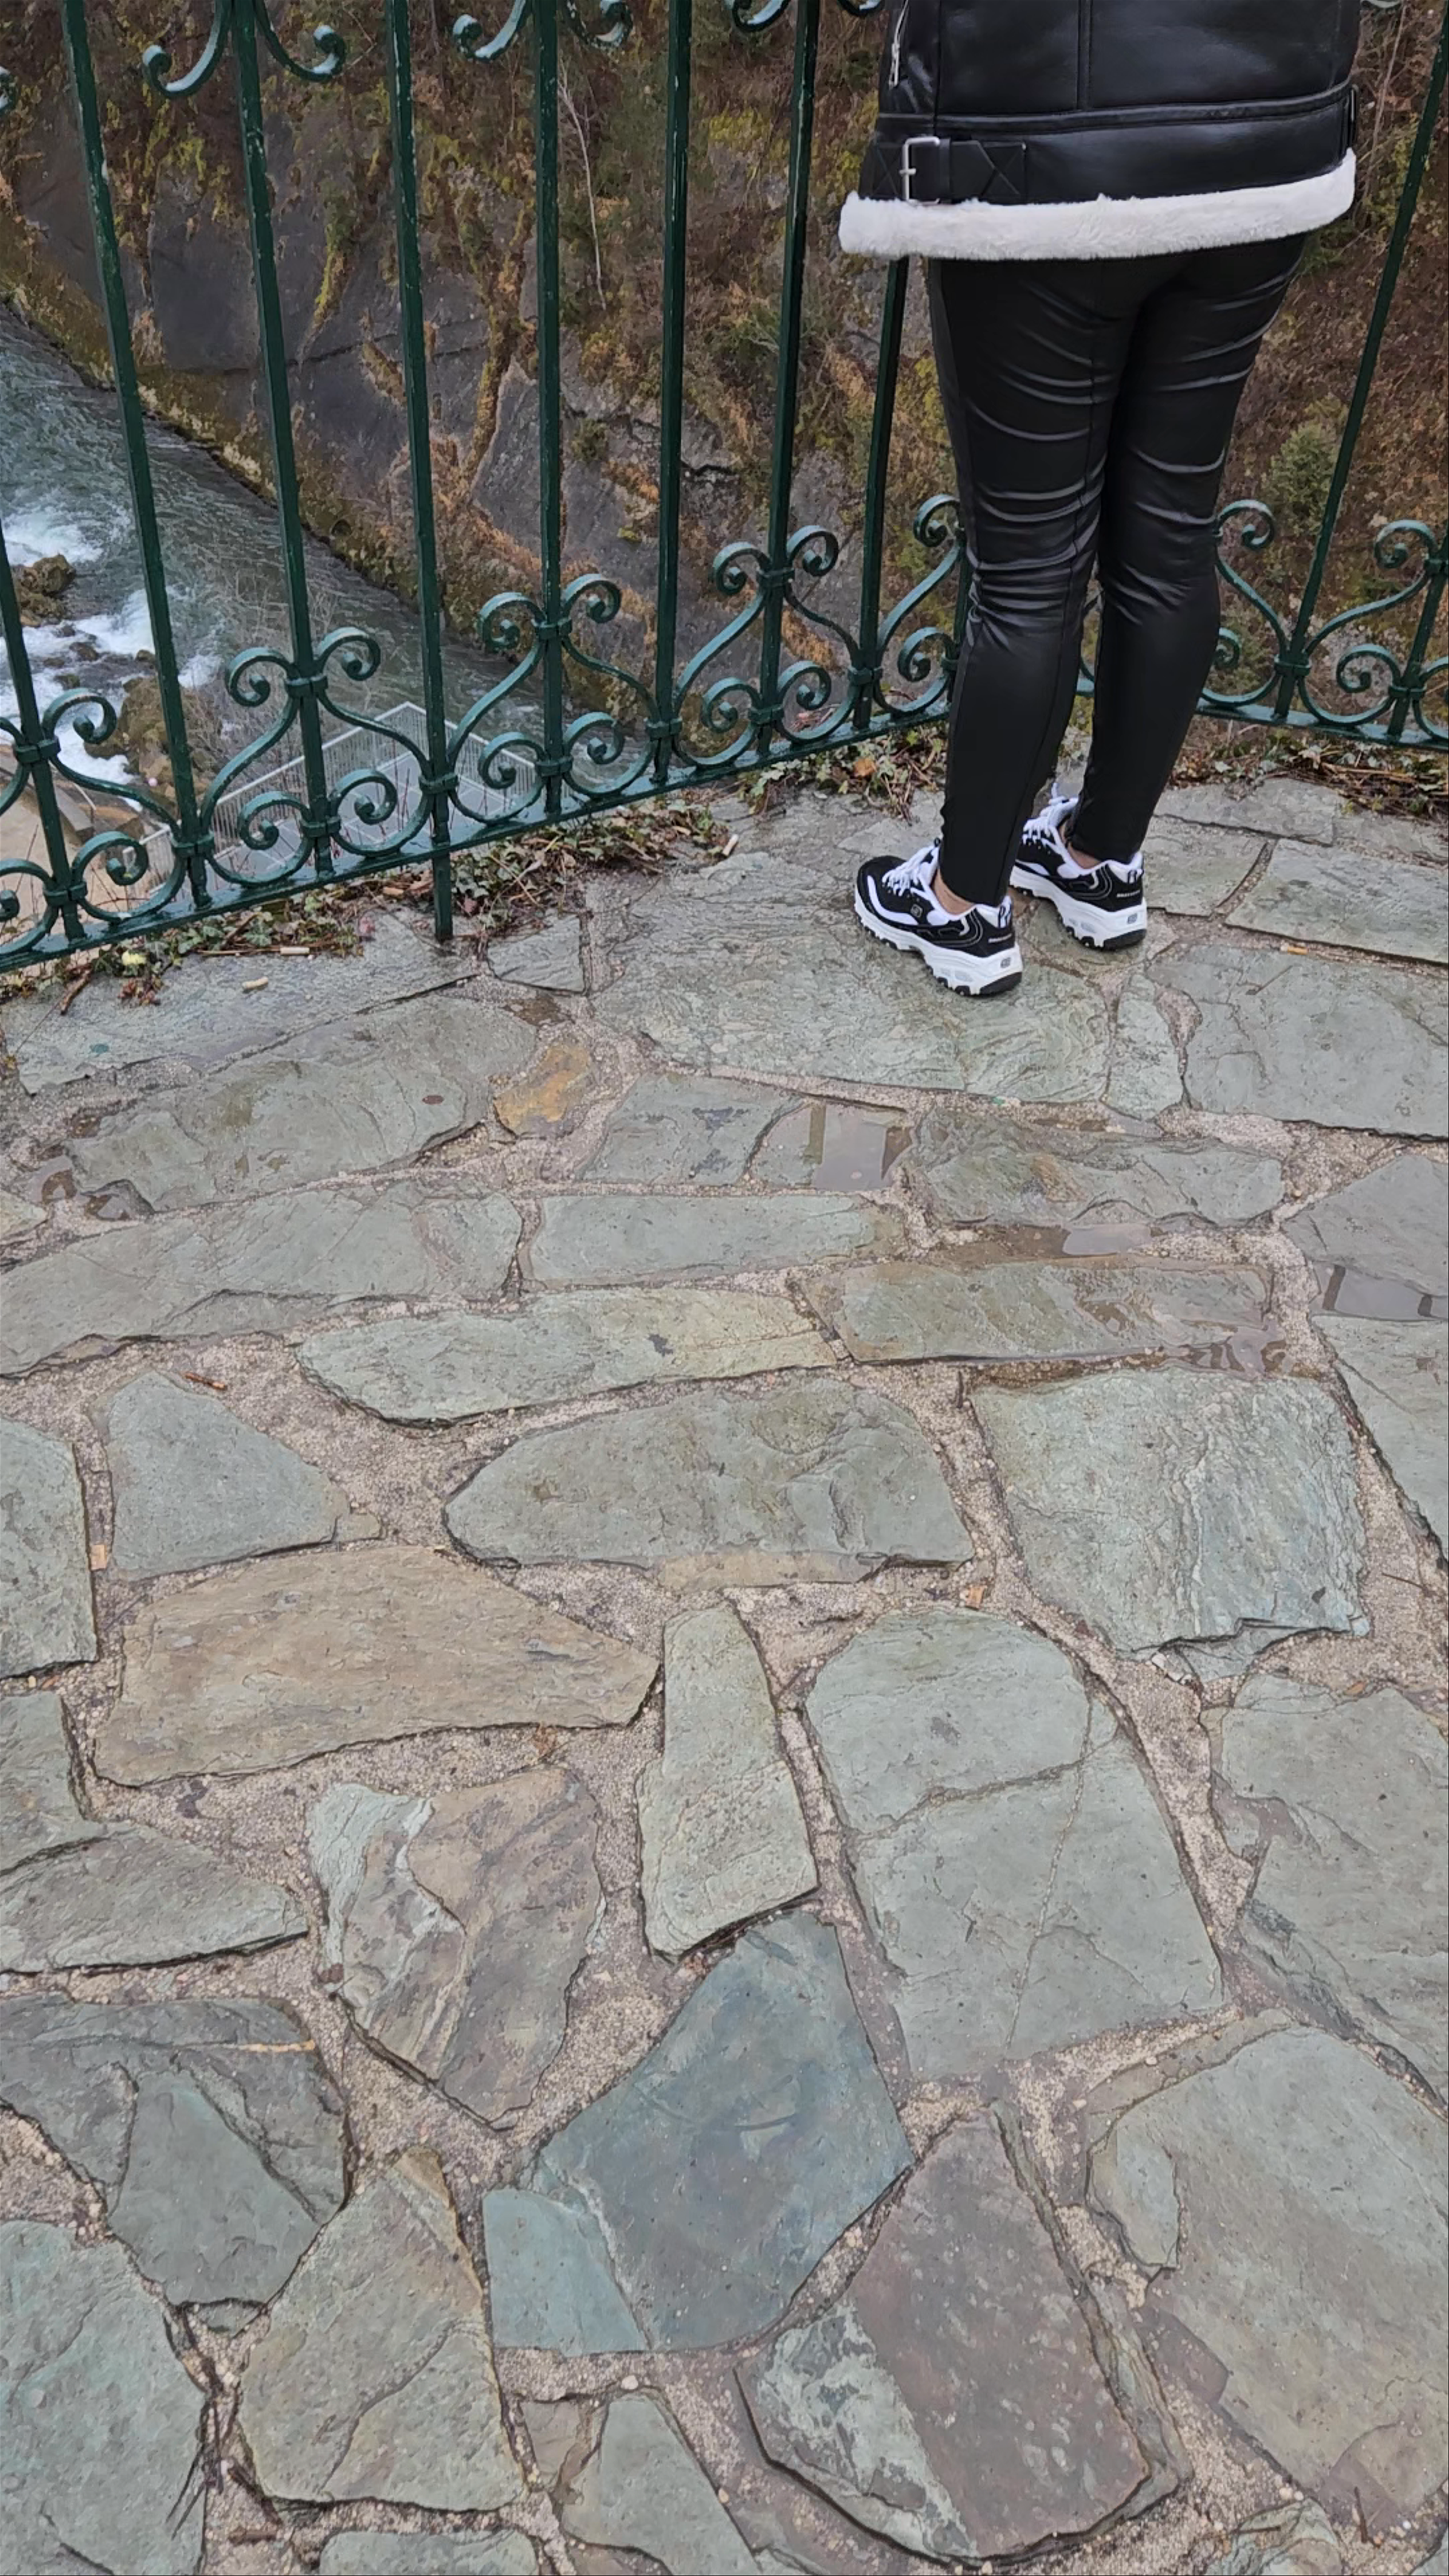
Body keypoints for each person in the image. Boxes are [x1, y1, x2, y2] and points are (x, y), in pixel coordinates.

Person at [846, 0, 1360, 995]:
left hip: (1041, 151)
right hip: (1267, 137)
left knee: (1029, 568)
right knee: (1171, 535)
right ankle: (1098, 859)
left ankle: (963, 904)